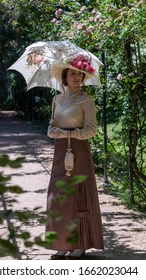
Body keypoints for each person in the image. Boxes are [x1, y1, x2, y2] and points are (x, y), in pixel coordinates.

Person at [46, 54, 104, 260]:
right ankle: (62, 243)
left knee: (77, 194)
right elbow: (51, 127)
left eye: (80, 74)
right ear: (64, 76)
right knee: (58, 196)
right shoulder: (56, 99)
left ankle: (80, 244)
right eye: (72, 73)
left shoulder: (86, 100)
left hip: (79, 151)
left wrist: (70, 133)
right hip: (60, 152)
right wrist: (54, 132)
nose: (76, 77)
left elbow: (92, 130)